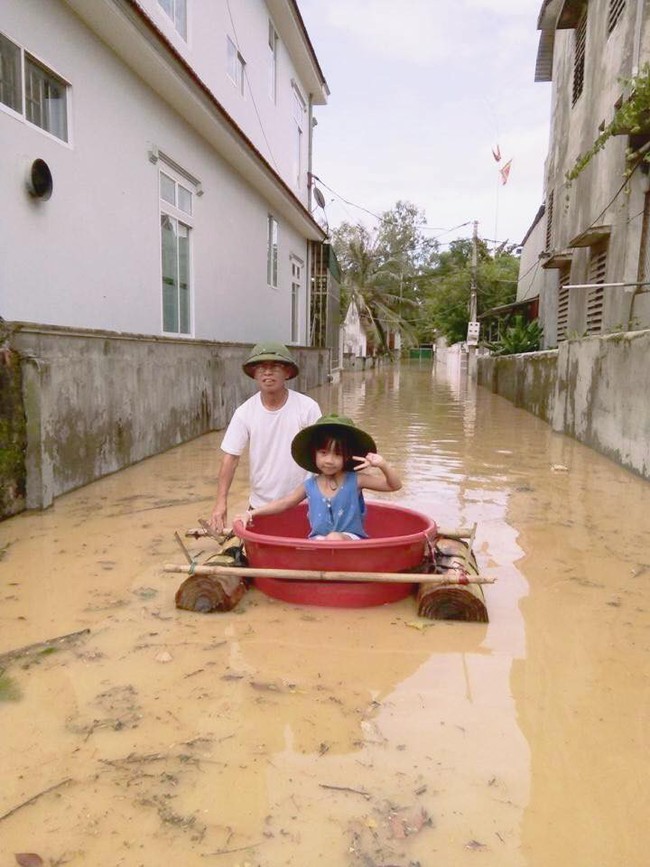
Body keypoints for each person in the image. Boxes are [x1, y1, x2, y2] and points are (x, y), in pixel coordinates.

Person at [208, 342, 321, 533]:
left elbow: (323, 454)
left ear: (287, 373)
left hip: (304, 504)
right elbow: (231, 458)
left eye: (275, 367)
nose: (267, 373)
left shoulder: (307, 408)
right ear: (254, 374)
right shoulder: (245, 412)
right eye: (261, 367)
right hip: (260, 507)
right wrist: (221, 502)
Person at [235, 414, 402, 540]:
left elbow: (394, 486)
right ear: (314, 454)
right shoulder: (310, 485)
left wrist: (383, 465)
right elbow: (284, 503)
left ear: (346, 457)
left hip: (351, 542)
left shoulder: (356, 480)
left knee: (334, 538)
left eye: (337, 454)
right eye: (323, 453)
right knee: (319, 543)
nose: (329, 460)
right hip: (318, 543)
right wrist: (251, 514)